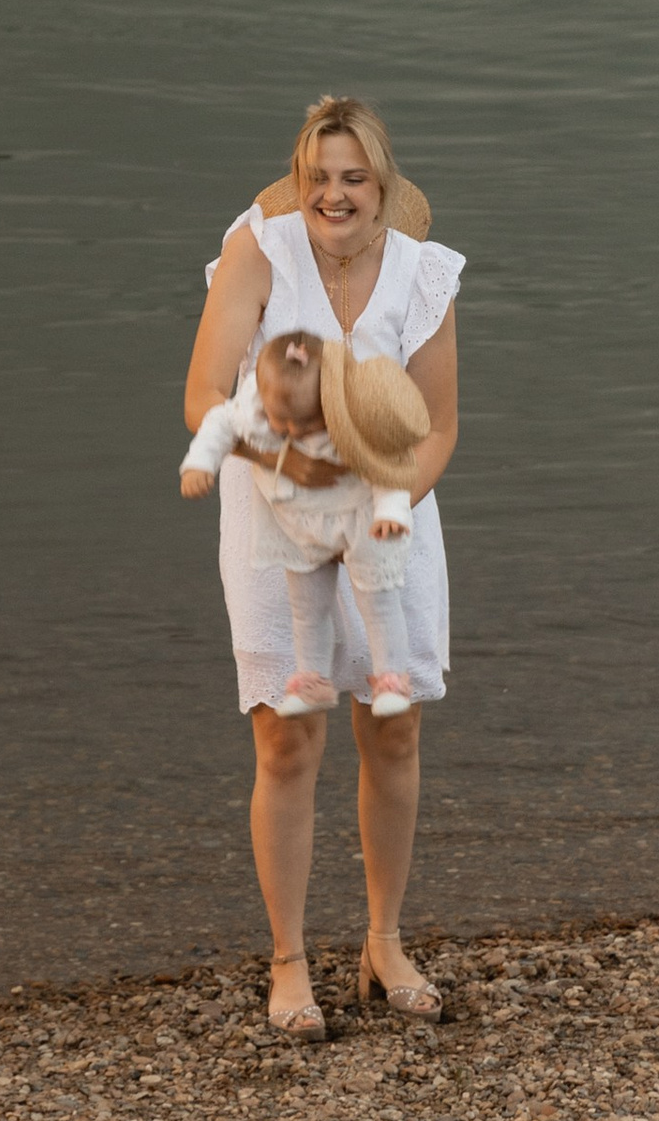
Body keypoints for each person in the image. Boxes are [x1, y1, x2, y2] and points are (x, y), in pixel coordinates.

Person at [184, 93, 462, 1042]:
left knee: (393, 728)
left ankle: (384, 943)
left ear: (383, 188)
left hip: (390, 517)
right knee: (288, 738)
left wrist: (387, 506)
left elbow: (439, 426)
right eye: (319, 177)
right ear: (299, 182)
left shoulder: (422, 272)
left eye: (354, 178)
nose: (334, 195)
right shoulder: (259, 251)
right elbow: (204, 395)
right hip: (274, 517)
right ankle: (289, 959)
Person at [182, 326, 432, 719]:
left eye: (306, 422)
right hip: (298, 522)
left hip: (359, 517)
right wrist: (199, 464)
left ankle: (391, 678)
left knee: (378, 599)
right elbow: (218, 423)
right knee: (307, 608)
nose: (294, 432)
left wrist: (392, 512)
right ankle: (313, 680)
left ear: (326, 399)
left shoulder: (353, 409)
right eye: (282, 423)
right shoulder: (253, 406)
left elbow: (390, 461)